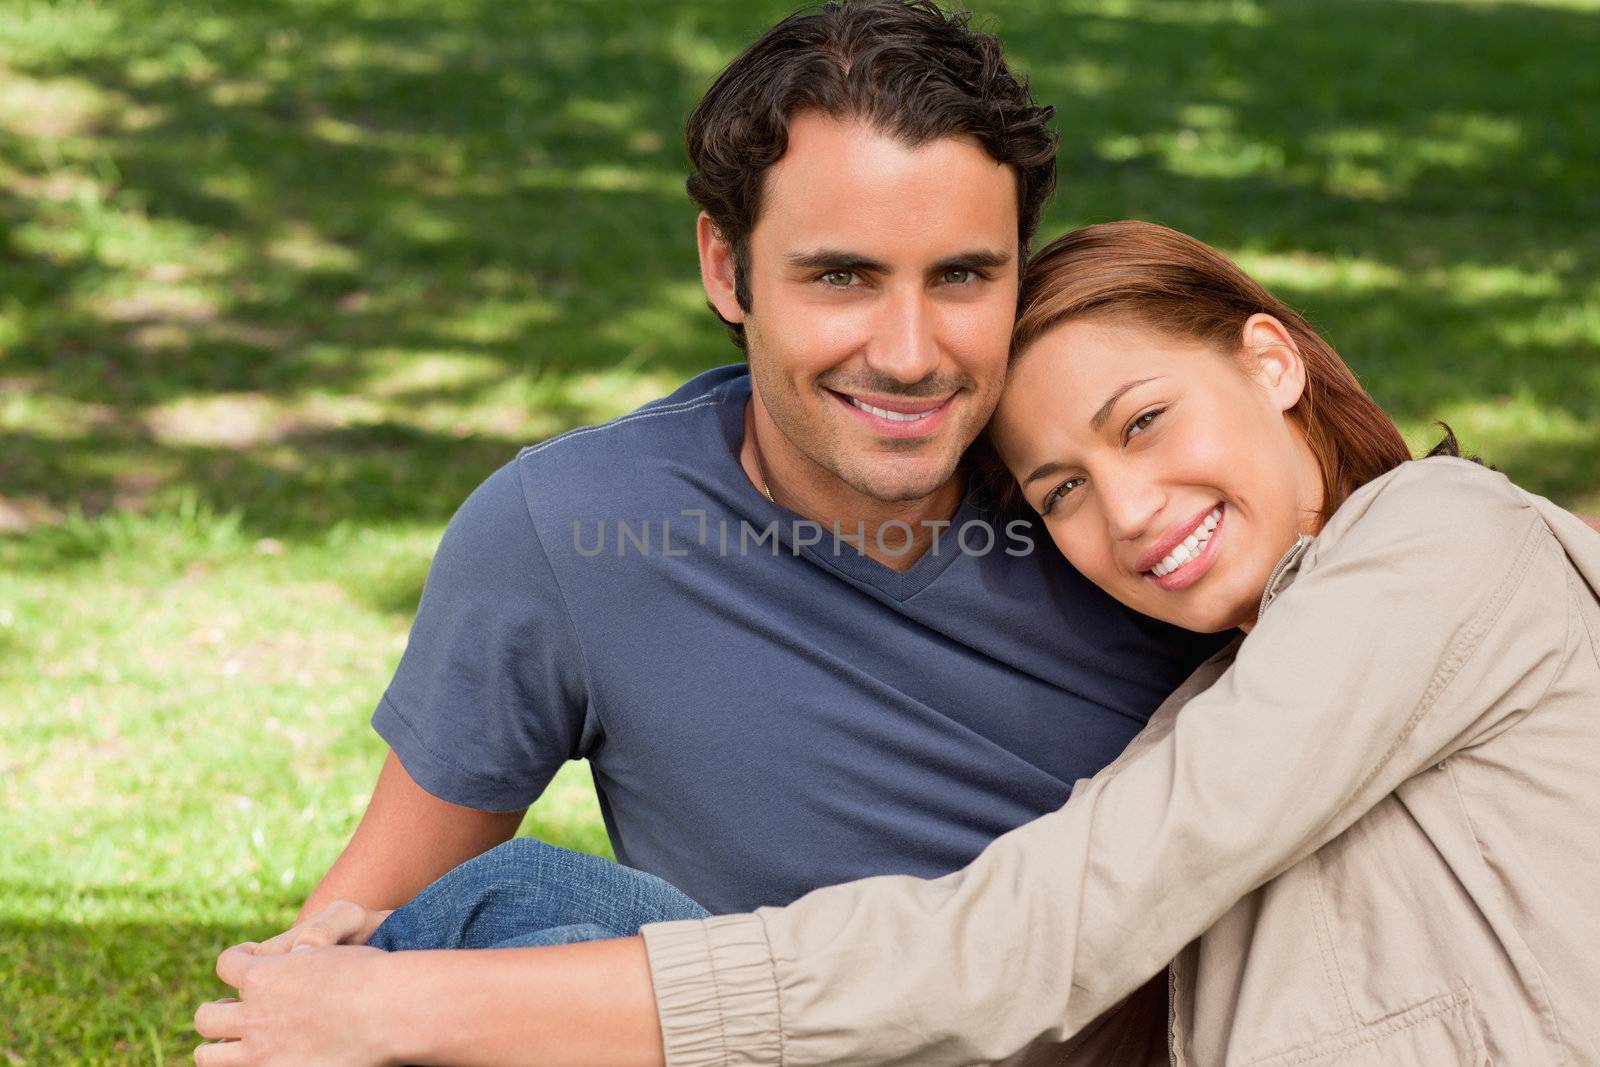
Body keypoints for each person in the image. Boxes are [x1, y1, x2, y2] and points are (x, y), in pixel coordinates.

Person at [196, 221, 1600, 1066]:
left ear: (1272, 361)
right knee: (513, 918)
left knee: (465, 957)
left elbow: (1035, 936)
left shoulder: (1441, 542)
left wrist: (397, 1012)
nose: (1125, 512)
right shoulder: (1231, 686)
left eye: (1144, 422)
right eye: (1058, 489)